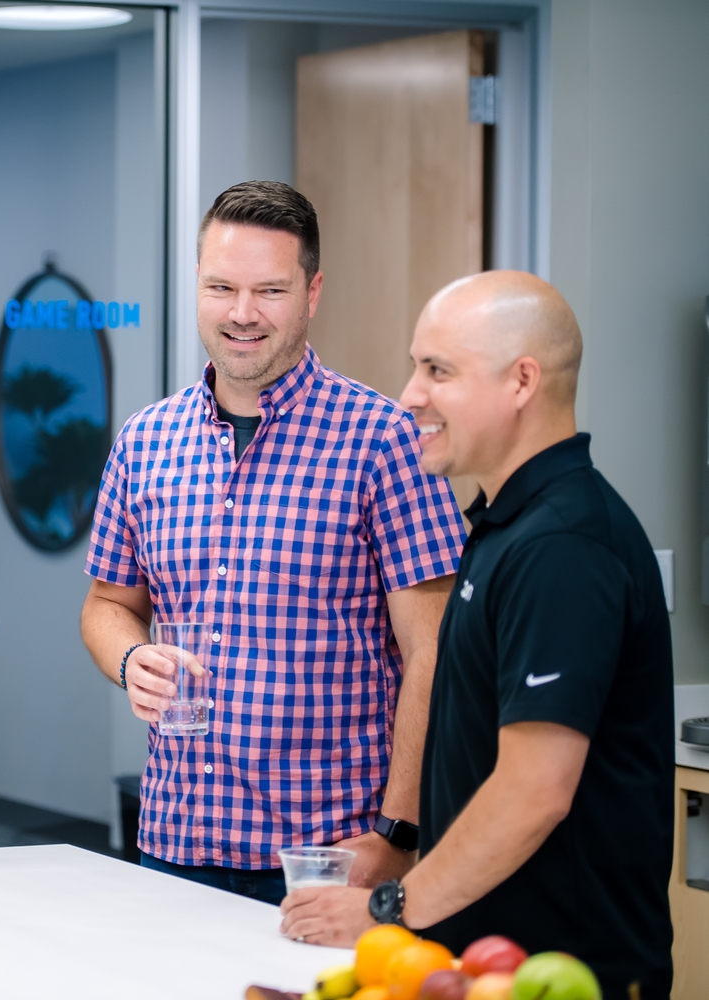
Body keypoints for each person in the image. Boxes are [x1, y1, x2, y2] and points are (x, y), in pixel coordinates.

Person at [280, 271, 673, 997]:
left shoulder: (565, 545)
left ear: (522, 381)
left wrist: (385, 910)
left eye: (438, 370)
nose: (410, 394)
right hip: (483, 963)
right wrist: (400, 853)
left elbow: (533, 790)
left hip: (564, 972)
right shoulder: (504, 528)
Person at [80, 181, 466, 904]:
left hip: (328, 857)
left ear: (312, 293)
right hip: (175, 841)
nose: (243, 313)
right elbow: (106, 604)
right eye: (222, 286)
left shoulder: (383, 441)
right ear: (197, 284)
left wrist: (398, 833)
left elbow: (434, 655)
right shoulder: (144, 442)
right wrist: (131, 658)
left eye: (271, 290)